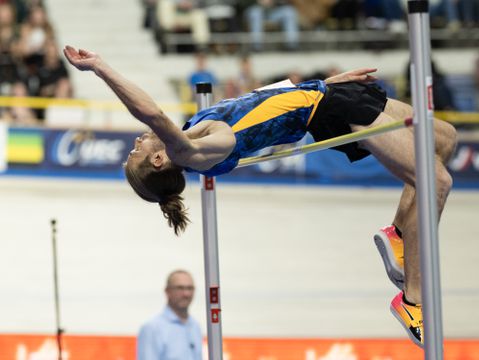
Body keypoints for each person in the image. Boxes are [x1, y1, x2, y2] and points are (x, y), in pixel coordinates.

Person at [64, 45, 457, 347]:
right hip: (328, 111)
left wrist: (327, 83)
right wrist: (100, 67)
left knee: (445, 139)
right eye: (136, 151)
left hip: (326, 96)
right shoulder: (190, 150)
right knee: (435, 181)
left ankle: (400, 235)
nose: (135, 142)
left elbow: (261, 98)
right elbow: (150, 114)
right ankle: (412, 299)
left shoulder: (196, 124)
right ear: (158, 158)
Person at [137, 269, 203, 360]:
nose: (186, 294)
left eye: (190, 288)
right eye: (180, 288)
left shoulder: (195, 326)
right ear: (167, 291)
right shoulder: (152, 328)